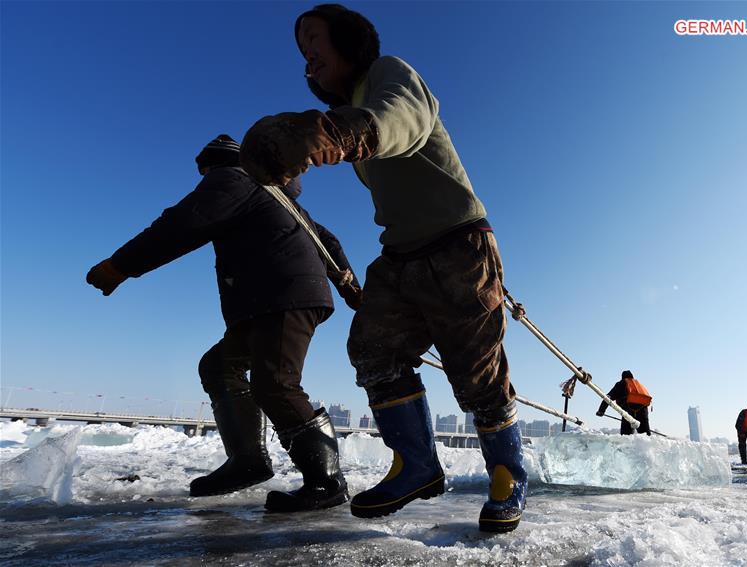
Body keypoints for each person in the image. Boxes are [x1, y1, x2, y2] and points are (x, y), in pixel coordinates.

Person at [238, 4, 526, 533]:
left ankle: (508, 475)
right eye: (302, 53)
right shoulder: (351, 107)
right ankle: (416, 463)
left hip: (460, 243)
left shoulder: (389, 75)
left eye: (314, 42)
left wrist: (342, 133)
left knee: (476, 370)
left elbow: (403, 122)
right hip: (400, 255)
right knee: (374, 348)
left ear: (348, 41)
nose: (307, 58)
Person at [86, 135, 361, 512]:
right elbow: (327, 240)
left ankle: (326, 482)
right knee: (219, 366)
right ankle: (247, 461)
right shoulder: (278, 195)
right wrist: (352, 290)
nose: (203, 179)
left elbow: (184, 222)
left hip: (282, 295)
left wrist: (121, 265)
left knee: (276, 383)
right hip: (271, 298)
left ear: (215, 164)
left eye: (204, 171)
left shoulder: (234, 177)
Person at [595, 370, 652, 435]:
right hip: (643, 410)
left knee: (626, 436)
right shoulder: (639, 385)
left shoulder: (622, 383)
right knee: (645, 435)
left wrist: (601, 411)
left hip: (629, 410)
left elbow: (608, 397)